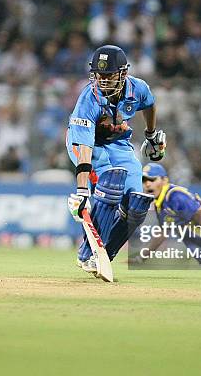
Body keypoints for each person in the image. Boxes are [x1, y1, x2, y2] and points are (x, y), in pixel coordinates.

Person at [66, 45, 166, 274]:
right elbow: (83, 148)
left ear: (123, 73)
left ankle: (104, 256)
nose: (101, 80)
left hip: (118, 144)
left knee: (137, 203)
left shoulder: (138, 88)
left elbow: (149, 105)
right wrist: (82, 192)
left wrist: (151, 135)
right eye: (98, 75)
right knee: (110, 183)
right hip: (86, 145)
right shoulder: (88, 100)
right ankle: (87, 253)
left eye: (108, 75)